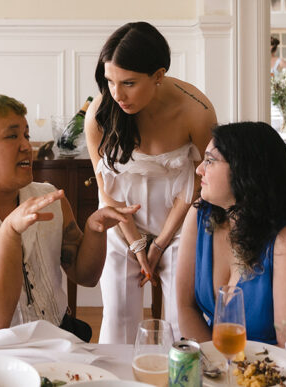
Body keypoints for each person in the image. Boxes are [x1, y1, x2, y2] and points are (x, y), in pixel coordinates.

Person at [0, 93, 138, 339]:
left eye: (26, 135)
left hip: (56, 343)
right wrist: (9, 232)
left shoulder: (49, 198)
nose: (26, 146)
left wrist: (95, 230)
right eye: (12, 136)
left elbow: (85, 276)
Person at [85, 21, 217, 343]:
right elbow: (106, 190)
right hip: (121, 223)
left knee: (178, 321)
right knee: (118, 318)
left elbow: (201, 182)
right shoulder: (100, 114)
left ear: (158, 75)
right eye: (110, 81)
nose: (117, 94)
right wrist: (136, 243)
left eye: (128, 83)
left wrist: (159, 244)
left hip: (181, 220)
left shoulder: (196, 111)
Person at [175, 122, 286, 346]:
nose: (199, 169)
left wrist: (238, 376)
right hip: (217, 364)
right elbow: (185, 307)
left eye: (210, 161)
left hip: (279, 371)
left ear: (246, 170)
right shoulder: (201, 215)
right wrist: (215, 365)